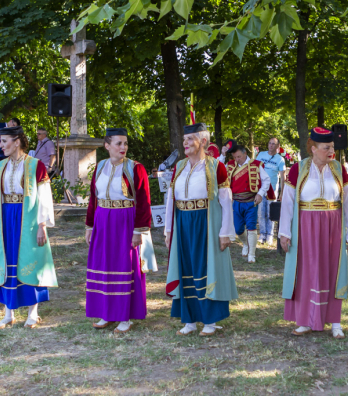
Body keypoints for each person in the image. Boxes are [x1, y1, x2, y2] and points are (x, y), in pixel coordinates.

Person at [279, 127, 348, 339]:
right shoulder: (298, 169)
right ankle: (305, 320)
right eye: (326, 148)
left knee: (333, 270)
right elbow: (287, 202)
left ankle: (335, 322)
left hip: (333, 225)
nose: (331, 151)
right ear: (313, 148)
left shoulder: (339, 169)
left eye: (332, 147)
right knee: (306, 271)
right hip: (305, 226)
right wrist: (285, 232)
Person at [164, 123, 238, 336]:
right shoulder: (179, 167)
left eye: (190, 139)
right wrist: (168, 230)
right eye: (184, 139)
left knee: (205, 268)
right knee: (185, 267)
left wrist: (225, 232)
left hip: (205, 223)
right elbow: (171, 199)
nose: (185, 143)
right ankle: (189, 321)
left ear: (203, 141)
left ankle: (209, 321)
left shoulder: (216, 166)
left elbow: (226, 201)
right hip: (182, 223)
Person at [84, 128, 155, 332]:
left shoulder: (135, 168)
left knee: (124, 265)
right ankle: (106, 313)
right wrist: (89, 225)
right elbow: (93, 198)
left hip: (125, 221)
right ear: (107, 145)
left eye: (125, 143)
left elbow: (144, 201)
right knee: (103, 265)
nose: (123, 147)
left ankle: (125, 317)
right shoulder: (100, 167)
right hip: (102, 220)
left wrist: (138, 231)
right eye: (118, 143)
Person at [0, 126, 57, 329]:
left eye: (4, 141)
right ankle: (8, 312)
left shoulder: (36, 165)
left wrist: (42, 225)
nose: (0, 145)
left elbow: (44, 197)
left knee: (30, 259)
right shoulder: (0, 166)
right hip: (6, 216)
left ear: (16, 142)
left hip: (28, 218)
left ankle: (33, 313)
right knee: (7, 260)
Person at [225, 141, 271, 263]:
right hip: (236, 202)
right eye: (235, 157)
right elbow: (219, 173)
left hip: (251, 201)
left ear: (245, 153)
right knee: (238, 229)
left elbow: (266, 180)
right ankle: (246, 244)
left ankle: (252, 254)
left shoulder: (256, 164)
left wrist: (260, 194)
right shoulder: (230, 165)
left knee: (251, 227)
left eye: (239, 157)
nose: (237, 159)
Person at [255, 137, 287, 244]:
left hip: (272, 190)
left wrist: (282, 192)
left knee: (270, 213)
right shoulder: (261, 155)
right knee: (261, 213)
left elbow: (283, 177)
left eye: (273, 144)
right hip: (260, 189)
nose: (271, 145)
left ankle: (270, 235)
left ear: (278, 146)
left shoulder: (280, 159)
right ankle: (262, 234)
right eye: (269, 143)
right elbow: (255, 169)